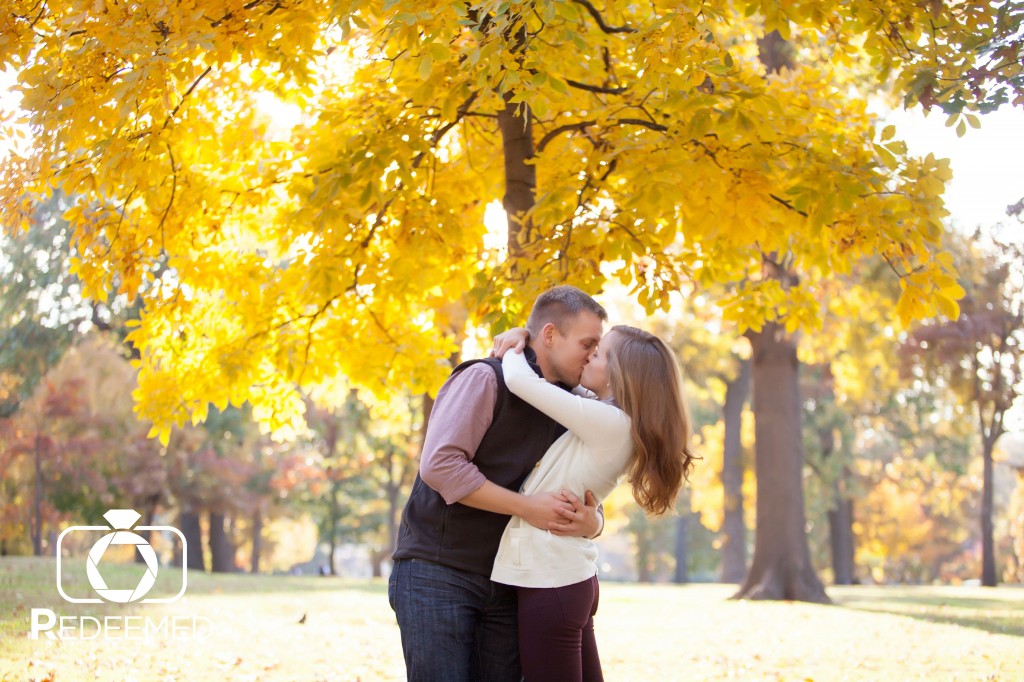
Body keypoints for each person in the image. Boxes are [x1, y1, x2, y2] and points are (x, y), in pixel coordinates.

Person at [389, 285, 609, 682]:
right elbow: (440, 465)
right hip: (439, 571)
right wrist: (527, 508)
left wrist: (594, 522)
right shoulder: (483, 378)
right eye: (587, 344)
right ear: (549, 335)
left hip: (513, 581)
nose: (593, 355)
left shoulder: (575, 407)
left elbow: (585, 489)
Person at [489, 324, 696, 682]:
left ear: (618, 379)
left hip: (550, 579)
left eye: (598, 353)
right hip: (565, 579)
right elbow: (570, 391)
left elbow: (522, 383)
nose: (589, 354)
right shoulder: (610, 417)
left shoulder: (609, 422)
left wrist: (514, 344)